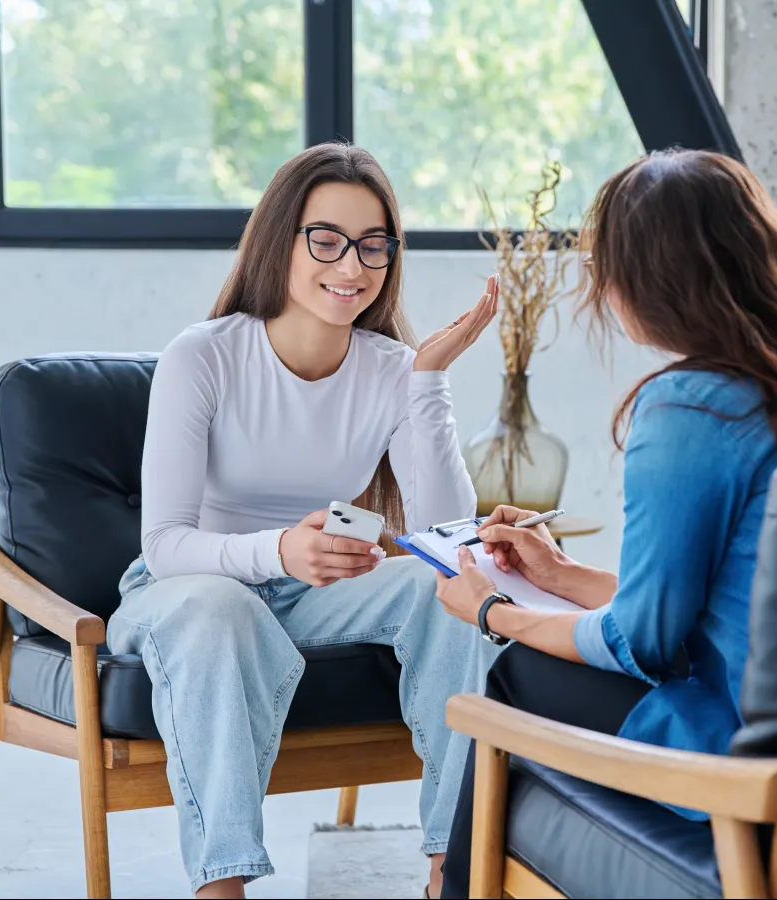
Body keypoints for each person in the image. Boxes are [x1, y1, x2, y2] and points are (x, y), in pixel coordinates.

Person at [106, 142, 500, 899]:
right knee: (220, 607)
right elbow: (163, 545)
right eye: (327, 240)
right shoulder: (204, 357)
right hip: (188, 586)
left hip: (315, 588)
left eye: (373, 245)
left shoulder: (391, 368)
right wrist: (279, 550)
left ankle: (452, 870)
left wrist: (429, 381)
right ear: (279, 238)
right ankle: (222, 886)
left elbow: (448, 539)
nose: (351, 266)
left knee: (446, 590)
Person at [436, 149, 777, 898]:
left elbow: (646, 642)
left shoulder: (691, 407)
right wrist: (562, 576)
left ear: (645, 281)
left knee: (516, 671)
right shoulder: (774, 383)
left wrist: (494, 610)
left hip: (741, 761)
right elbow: (719, 604)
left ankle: (449, 889)